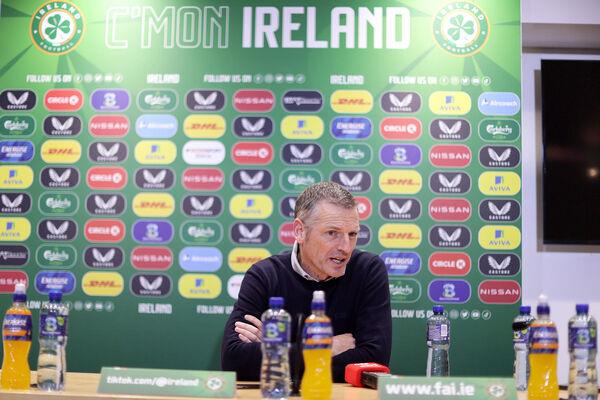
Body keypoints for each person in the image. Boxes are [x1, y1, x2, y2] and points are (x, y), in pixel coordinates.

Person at [221, 181, 392, 382]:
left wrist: (275, 353)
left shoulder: (368, 270)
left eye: (352, 234)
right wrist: (326, 347)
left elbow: (374, 360)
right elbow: (234, 361)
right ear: (300, 231)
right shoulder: (264, 275)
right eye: (332, 233)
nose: (345, 247)